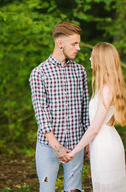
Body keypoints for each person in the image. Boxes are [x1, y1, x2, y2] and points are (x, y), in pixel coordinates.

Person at [29, 21, 90, 192]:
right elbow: (41, 112)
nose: (78, 48)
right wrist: (56, 146)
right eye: (74, 44)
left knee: (74, 190)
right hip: (48, 146)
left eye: (78, 43)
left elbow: (85, 109)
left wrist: (86, 143)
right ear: (60, 43)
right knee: (47, 189)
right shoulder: (39, 73)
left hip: (76, 144)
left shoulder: (80, 71)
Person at [68, 42, 126, 192]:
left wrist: (74, 152)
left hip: (105, 145)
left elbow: (94, 128)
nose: (89, 59)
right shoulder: (105, 87)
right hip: (103, 142)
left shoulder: (107, 89)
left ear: (101, 60)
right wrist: (88, 145)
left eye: (92, 56)